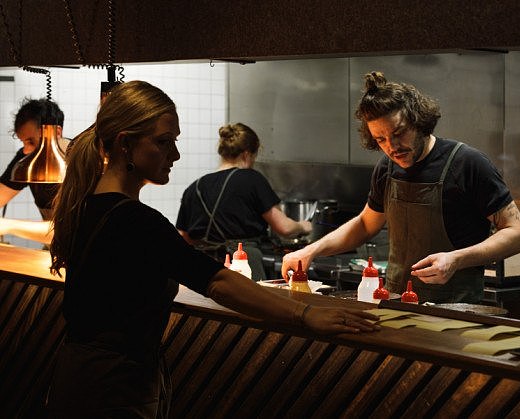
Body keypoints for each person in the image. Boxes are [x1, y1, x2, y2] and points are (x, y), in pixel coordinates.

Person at [45, 80, 378, 418]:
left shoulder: (85, 207)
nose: (174, 155)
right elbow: (216, 281)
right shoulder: (135, 221)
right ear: (125, 145)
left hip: (76, 376)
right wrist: (305, 315)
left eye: (174, 141)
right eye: (163, 142)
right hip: (114, 388)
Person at [282, 72, 520, 304]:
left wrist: (456, 259)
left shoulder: (468, 164)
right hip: (394, 302)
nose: (392, 147)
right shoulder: (387, 168)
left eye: (399, 133)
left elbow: (518, 234)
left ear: (419, 120)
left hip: (455, 308)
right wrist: (310, 251)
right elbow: (366, 224)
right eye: (380, 140)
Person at [176, 122, 312, 280]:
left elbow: (183, 237)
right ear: (247, 154)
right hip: (242, 267)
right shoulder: (252, 179)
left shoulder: (195, 187)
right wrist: (304, 226)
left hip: (202, 268)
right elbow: (285, 228)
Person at [0, 98, 66, 245]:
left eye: (31, 141)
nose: (26, 150)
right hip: (53, 251)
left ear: (56, 133)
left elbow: (68, 230)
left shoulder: (77, 160)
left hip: (84, 255)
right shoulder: (27, 160)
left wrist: (9, 225)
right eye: (23, 142)